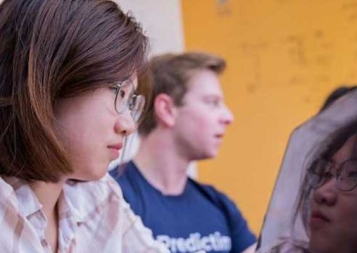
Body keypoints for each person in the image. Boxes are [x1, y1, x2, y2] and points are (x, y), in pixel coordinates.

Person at [0, 0, 169, 252]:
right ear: (47, 82)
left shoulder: (98, 198)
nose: (128, 125)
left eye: (130, 101)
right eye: (119, 94)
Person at [110, 52, 257, 253]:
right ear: (167, 110)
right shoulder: (110, 197)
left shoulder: (219, 205)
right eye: (212, 102)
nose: (228, 117)